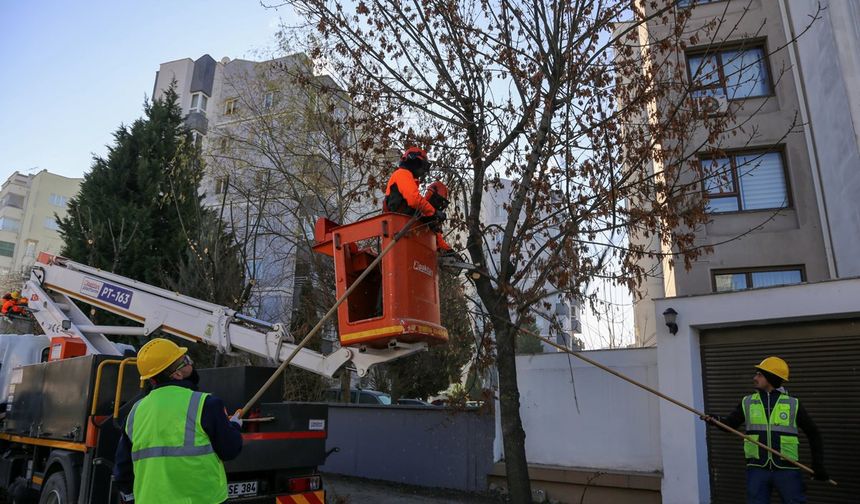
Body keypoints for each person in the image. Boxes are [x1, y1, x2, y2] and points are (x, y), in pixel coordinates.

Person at [113, 338, 243, 503]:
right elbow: (230, 450)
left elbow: (122, 470)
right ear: (177, 373)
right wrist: (234, 427)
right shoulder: (206, 404)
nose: (191, 363)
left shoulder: (135, 412)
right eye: (186, 360)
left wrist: (132, 498)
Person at [702, 356, 828, 504]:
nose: (755, 378)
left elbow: (813, 434)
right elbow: (730, 425)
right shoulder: (748, 402)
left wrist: (818, 464)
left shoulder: (793, 404)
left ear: (771, 378)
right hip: (757, 468)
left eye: (759, 374)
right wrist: (716, 421)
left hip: (786, 468)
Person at [384, 146, 440, 220]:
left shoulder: (408, 177)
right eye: (422, 166)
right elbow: (414, 199)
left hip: (403, 218)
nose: (422, 170)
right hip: (398, 218)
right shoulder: (402, 173)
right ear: (414, 162)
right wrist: (433, 212)